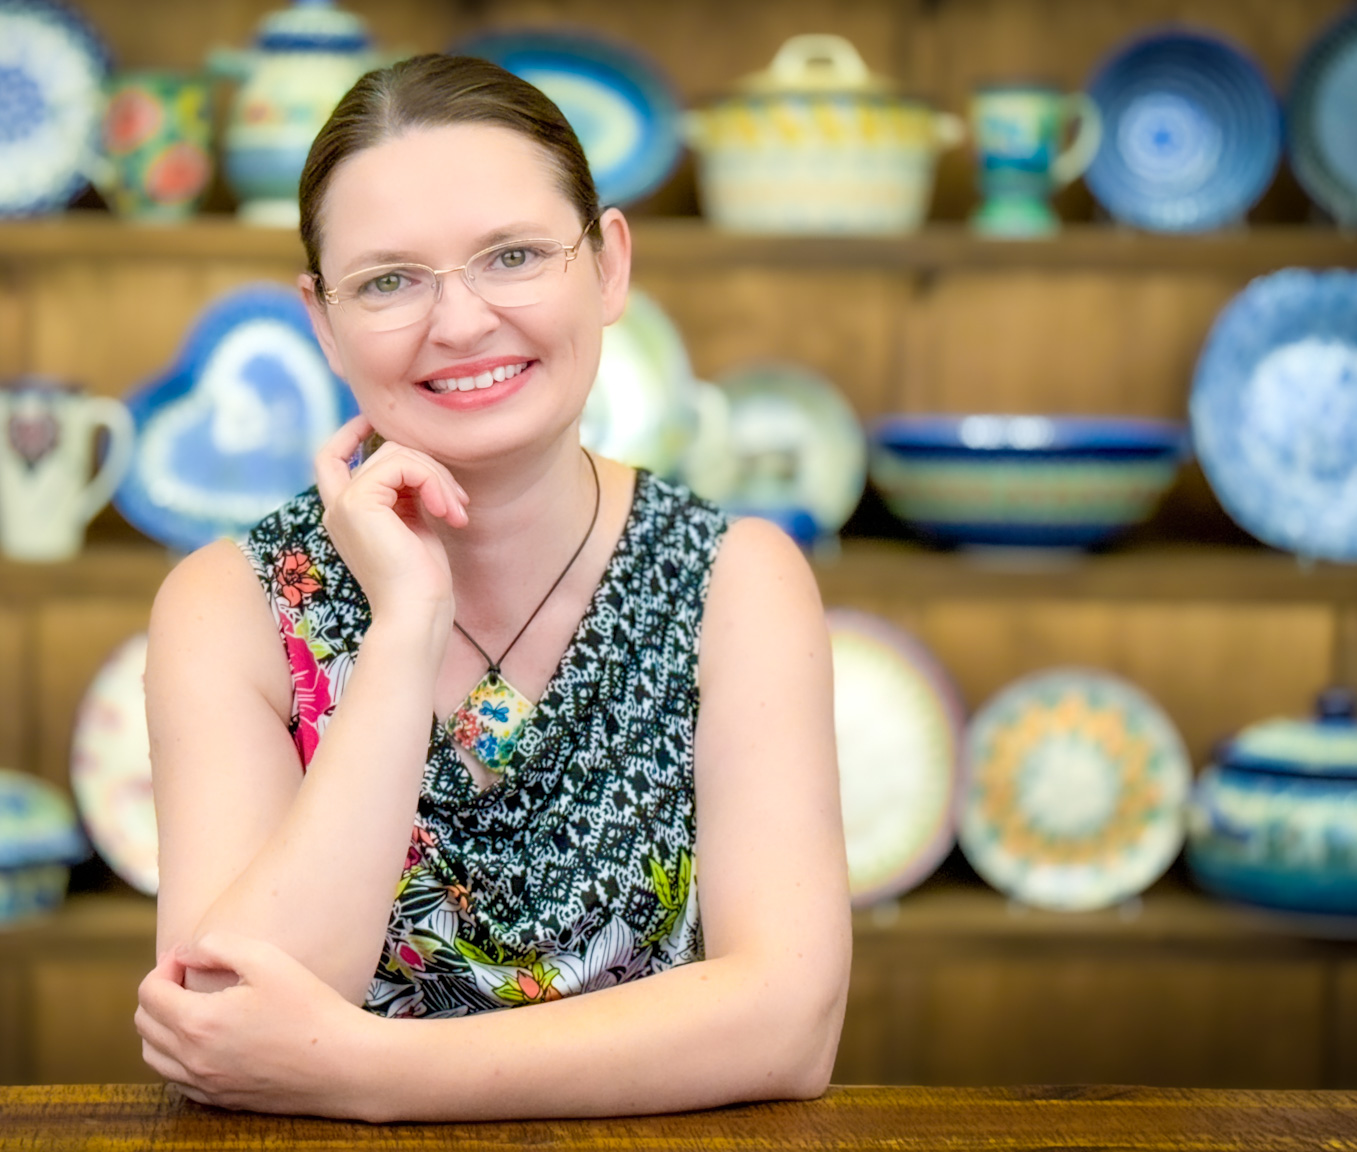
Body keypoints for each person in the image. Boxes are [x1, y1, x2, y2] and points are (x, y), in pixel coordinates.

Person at [135, 52, 850, 1122]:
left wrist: (362, 1071)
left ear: (607, 266)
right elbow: (229, 1014)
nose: (460, 323)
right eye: (388, 280)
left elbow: (787, 1024)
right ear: (321, 320)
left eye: (511, 256)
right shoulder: (229, 603)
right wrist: (402, 627)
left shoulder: (734, 580)